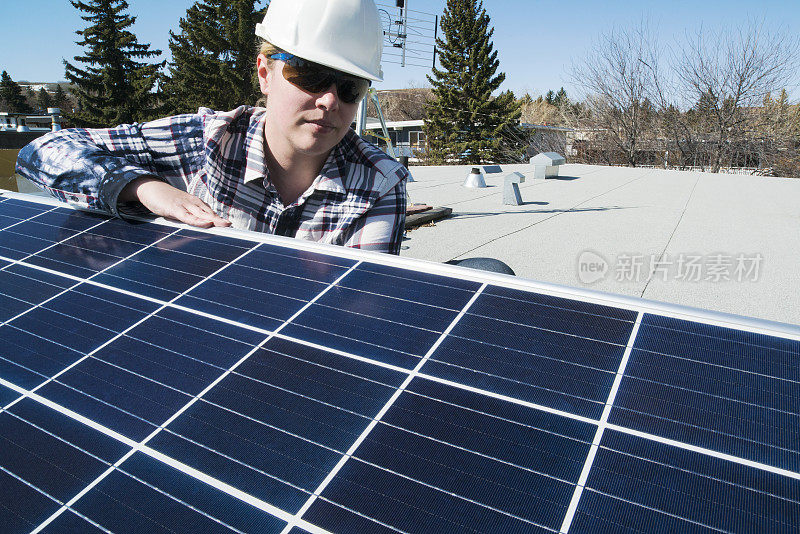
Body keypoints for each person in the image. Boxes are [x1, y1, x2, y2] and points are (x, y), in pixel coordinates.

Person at [16, 0, 408, 254]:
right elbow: (44, 150)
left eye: (350, 86)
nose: (329, 101)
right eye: (309, 74)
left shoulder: (379, 184)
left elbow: (357, 314)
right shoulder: (205, 142)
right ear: (265, 74)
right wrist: (145, 189)